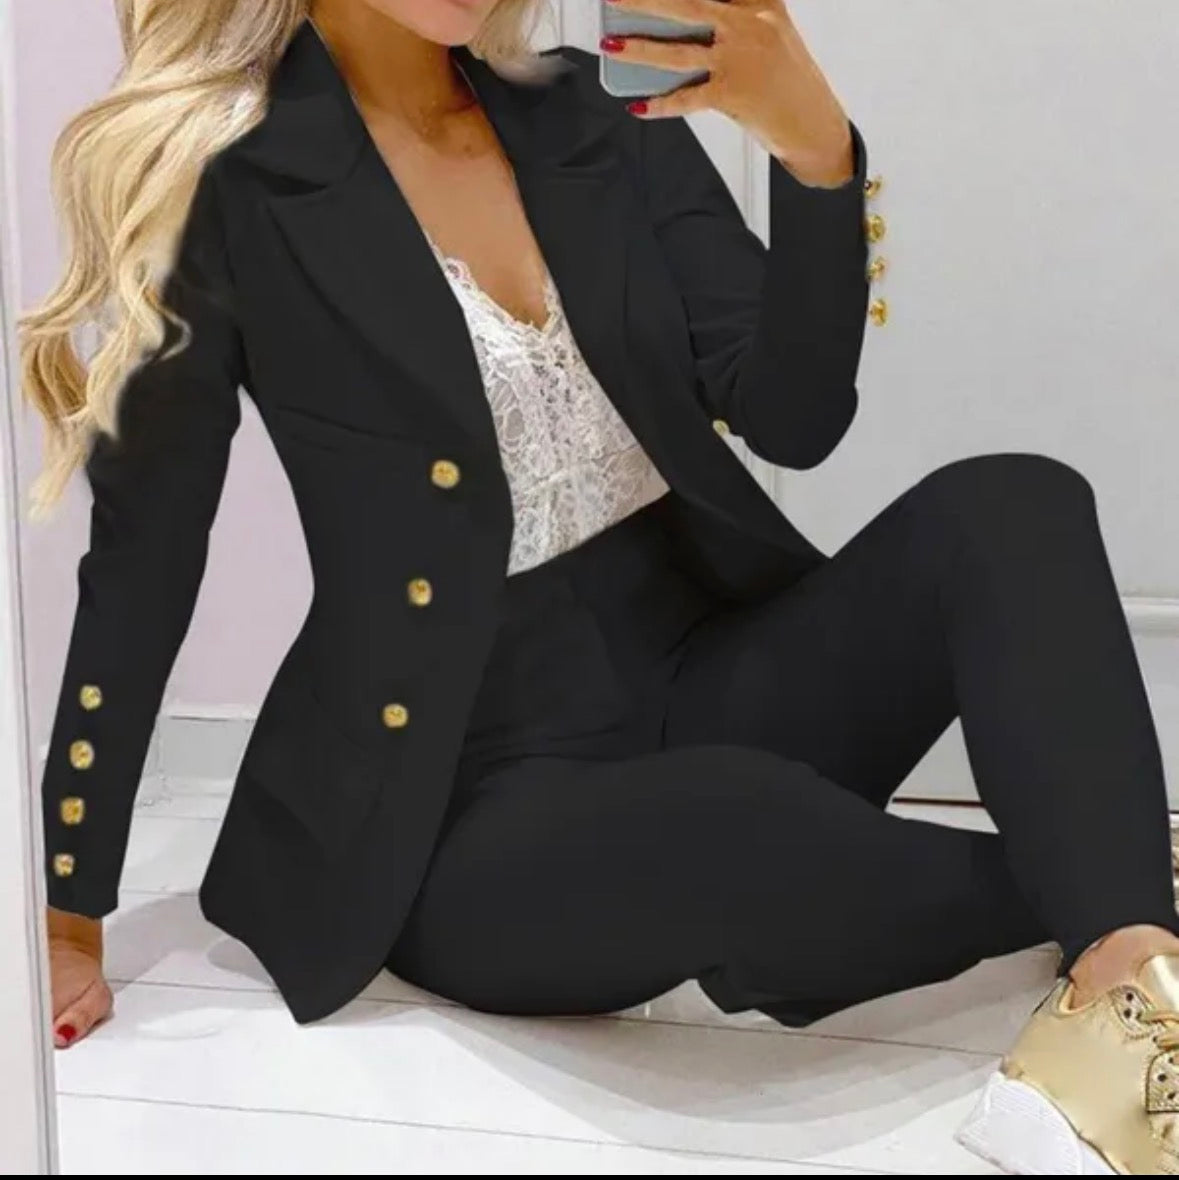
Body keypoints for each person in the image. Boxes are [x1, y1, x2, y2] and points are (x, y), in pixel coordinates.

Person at [19, 1, 1179, 1173]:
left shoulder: (591, 111)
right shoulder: (227, 187)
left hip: (704, 669)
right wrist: (66, 907)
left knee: (1013, 503)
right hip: (461, 805)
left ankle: (1129, 962)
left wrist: (818, 158)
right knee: (739, 821)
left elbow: (794, 415)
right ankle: (1107, 882)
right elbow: (146, 558)